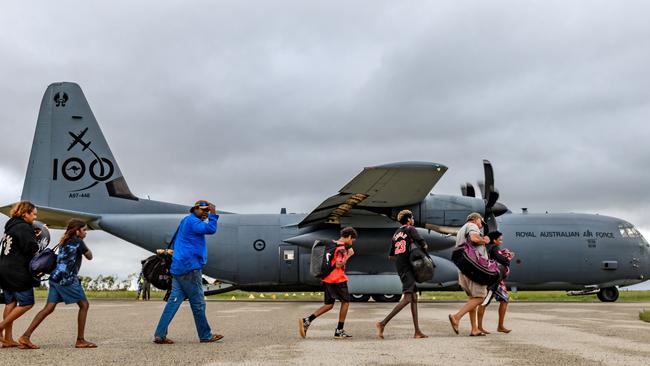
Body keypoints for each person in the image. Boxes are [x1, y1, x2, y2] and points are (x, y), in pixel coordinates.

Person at [18, 219, 96, 349]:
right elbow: (90, 256)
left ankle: (25, 336)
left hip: (55, 278)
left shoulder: (63, 241)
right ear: (77, 231)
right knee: (84, 305)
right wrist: (83, 246)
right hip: (66, 280)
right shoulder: (77, 241)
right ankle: (80, 340)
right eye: (84, 230)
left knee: (48, 308)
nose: (86, 233)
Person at [153, 200, 221, 344]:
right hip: (190, 267)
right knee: (198, 304)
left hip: (178, 267)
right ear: (194, 209)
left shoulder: (186, 220)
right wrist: (214, 214)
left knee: (173, 302)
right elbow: (211, 229)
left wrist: (208, 213)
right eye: (202, 210)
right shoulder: (193, 222)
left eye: (207, 211)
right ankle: (205, 335)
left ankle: (160, 334)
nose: (205, 213)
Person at [376, 210, 428, 339]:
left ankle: (417, 331)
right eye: (412, 218)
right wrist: (421, 257)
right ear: (409, 219)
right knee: (407, 299)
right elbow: (423, 243)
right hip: (408, 268)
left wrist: (402, 259)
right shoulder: (410, 229)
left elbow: (391, 256)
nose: (413, 220)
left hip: (401, 267)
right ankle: (382, 323)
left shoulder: (396, 233)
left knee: (414, 298)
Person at [298, 227, 357, 339]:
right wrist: (349, 255)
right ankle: (339, 330)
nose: (351, 242)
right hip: (337, 279)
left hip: (327, 278)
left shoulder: (332, 244)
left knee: (329, 304)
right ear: (349, 237)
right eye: (352, 240)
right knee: (346, 302)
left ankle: (307, 321)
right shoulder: (342, 248)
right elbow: (339, 264)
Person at [0, 201, 39, 348]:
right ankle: (0, 327)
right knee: (27, 302)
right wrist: (36, 239)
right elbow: (31, 248)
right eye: (33, 214)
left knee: (11, 302)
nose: (35, 217)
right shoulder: (24, 227)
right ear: (25, 213)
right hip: (17, 271)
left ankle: (8, 339)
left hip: (4, 269)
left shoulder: (10, 228)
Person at [448, 212, 490, 337]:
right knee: (480, 297)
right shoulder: (473, 226)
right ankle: (456, 317)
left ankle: (474, 329)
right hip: (474, 269)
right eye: (481, 222)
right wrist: (485, 240)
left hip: (463, 269)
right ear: (476, 219)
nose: (481, 226)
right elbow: (474, 238)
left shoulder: (461, 230)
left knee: (473, 298)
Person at [477, 230, 514, 334]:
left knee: (503, 299)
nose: (501, 241)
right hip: (494, 279)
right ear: (494, 240)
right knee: (484, 302)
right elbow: (504, 261)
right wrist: (509, 256)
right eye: (500, 239)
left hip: (493, 278)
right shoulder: (494, 248)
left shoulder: (485, 248)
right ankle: (484, 326)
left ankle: (499, 326)